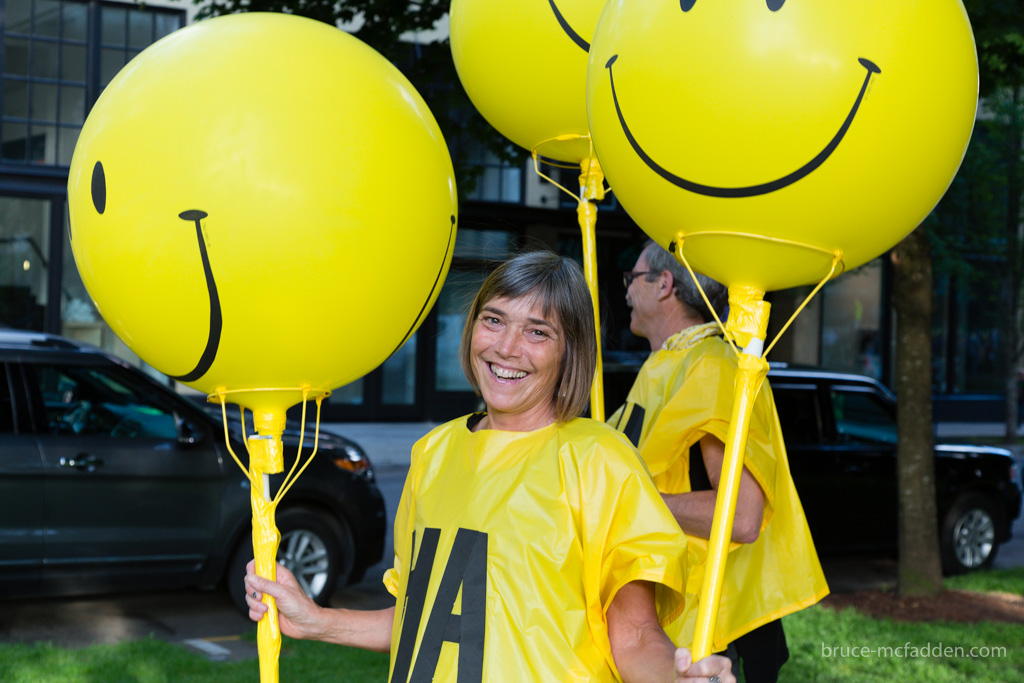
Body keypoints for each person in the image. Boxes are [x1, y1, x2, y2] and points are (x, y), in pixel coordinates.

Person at [246, 251, 735, 683]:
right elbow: (424, 619)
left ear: (572, 351)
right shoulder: (433, 453)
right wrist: (313, 619)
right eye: (494, 320)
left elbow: (632, 637)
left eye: (537, 332)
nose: (506, 348)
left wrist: (677, 679)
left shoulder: (600, 461)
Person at [609, 240, 829, 683]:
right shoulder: (671, 362)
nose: (626, 292)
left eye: (632, 279)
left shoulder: (712, 366)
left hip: (713, 627)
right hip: (668, 616)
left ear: (664, 284)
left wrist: (633, 506)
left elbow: (742, 517)